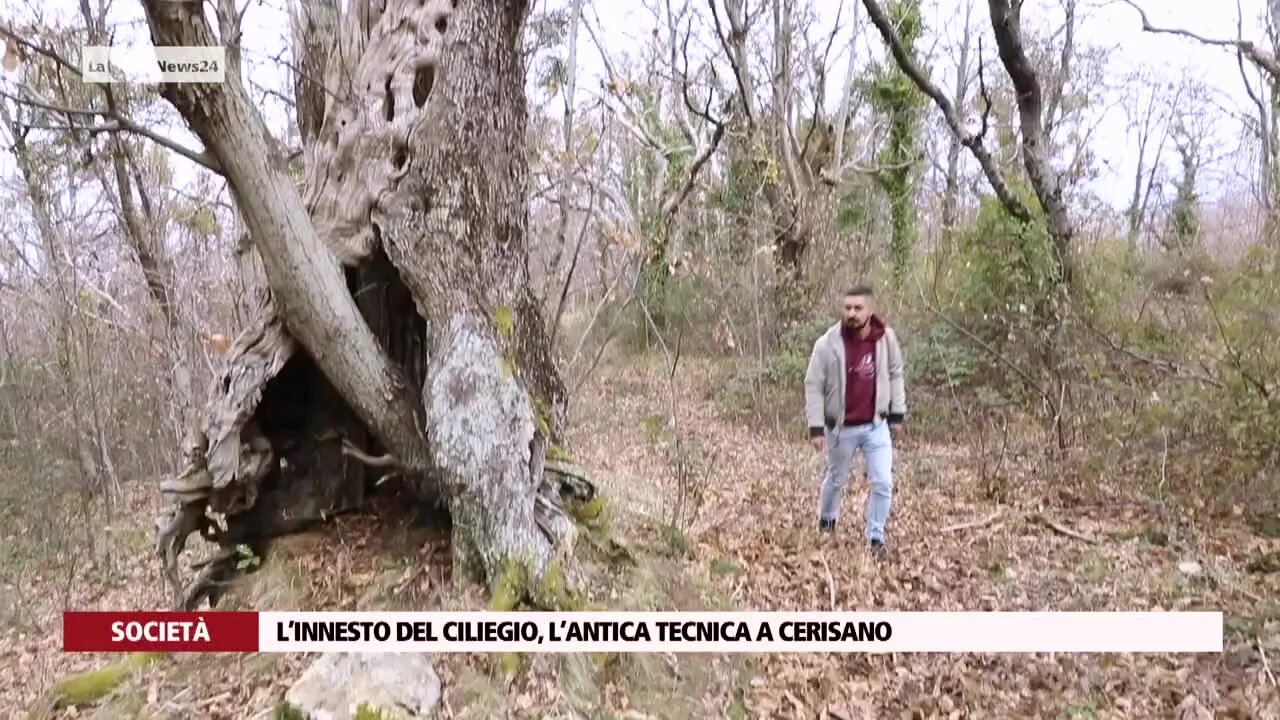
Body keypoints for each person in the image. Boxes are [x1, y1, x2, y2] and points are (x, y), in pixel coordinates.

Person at [803, 284, 906, 559]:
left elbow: (895, 373)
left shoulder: (886, 340)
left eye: (858, 308)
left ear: (870, 310)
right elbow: (813, 385)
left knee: (883, 482)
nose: (852, 313)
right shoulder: (827, 344)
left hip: (876, 426)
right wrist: (816, 427)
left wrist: (897, 413)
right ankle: (826, 520)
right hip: (841, 428)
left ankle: (875, 537)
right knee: (836, 479)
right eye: (847, 307)